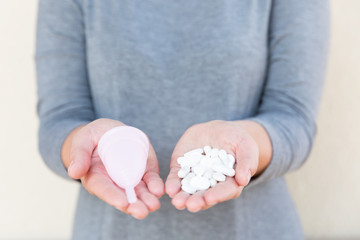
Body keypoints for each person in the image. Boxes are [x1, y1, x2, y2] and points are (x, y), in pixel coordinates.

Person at [35, 1, 329, 239]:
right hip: (110, 230)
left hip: (253, 229)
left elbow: (294, 119)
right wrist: (84, 145)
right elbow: (60, 119)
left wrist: (246, 142)